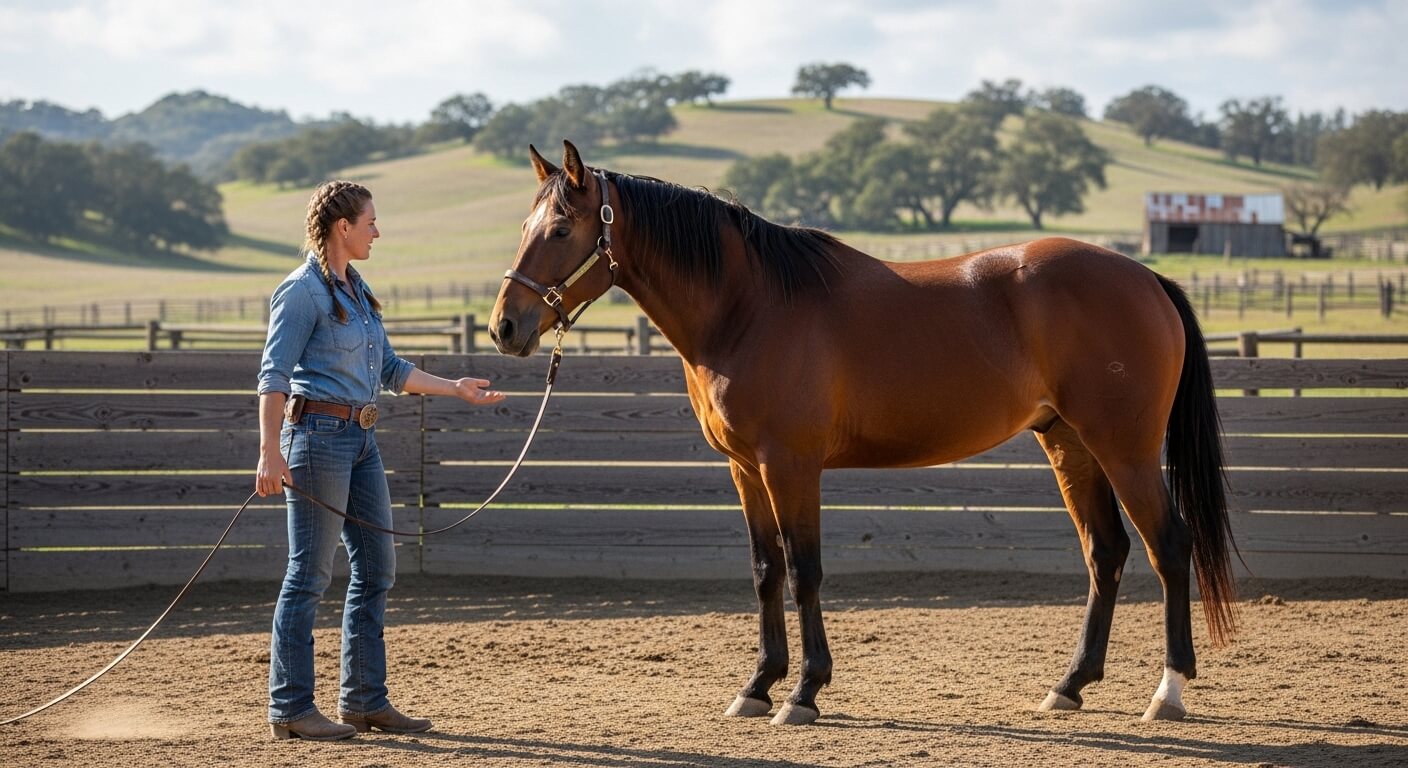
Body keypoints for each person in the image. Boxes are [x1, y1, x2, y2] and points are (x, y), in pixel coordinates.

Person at [255, 180, 505, 741]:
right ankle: (291, 709)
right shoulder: (301, 293)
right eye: (370, 221)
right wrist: (270, 451)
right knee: (309, 574)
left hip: (361, 441)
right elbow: (272, 377)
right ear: (342, 227)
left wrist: (455, 388)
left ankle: (364, 701)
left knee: (376, 570)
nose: (377, 230)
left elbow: (390, 369)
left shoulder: (356, 289)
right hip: (316, 439)